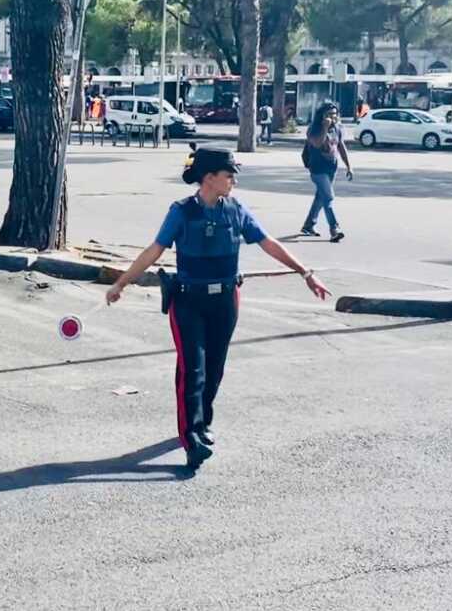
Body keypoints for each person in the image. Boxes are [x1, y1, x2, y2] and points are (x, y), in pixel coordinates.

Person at [106, 147, 331, 471]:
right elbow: (155, 250)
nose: (234, 180)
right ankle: (191, 438)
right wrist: (122, 283)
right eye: (229, 175)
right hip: (188, 300)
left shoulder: (236, 209)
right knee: (192, 370)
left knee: (214, 369)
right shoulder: (181, 212)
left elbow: (268, 242)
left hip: (225, 300)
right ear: (209, 178)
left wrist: (305, 272)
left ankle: (202, 421)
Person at [301, 101, 353, 242]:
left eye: (335, 115)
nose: (332, 118)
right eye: (329, 114)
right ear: (322, 116)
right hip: (317, 169)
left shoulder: (337, 128)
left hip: (332, 167)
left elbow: (341, 146)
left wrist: (349, 166)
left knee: (321, 197)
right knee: (328, 197)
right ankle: (334, 229)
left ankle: (308, 225)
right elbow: (317, 143)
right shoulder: (314, 128)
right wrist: (324, 127)